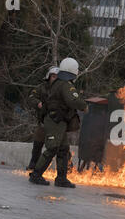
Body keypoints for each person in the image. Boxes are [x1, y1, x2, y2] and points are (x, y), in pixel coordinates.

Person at [29, 57, 88, 188]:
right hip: (56, 121)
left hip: (56, 120)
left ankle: (61, 179)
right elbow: (74, 100)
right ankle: (36, 175)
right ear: (73, 71)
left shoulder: (57, 83)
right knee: (52, 148)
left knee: (63, 149)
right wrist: (84, 106)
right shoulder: (66, 85)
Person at [26, 66, 60, 170]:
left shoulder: (62, 89)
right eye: (53, 76)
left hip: (57, 122)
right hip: (43, 121)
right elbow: (31, 97)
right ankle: (33, 163)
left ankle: (66, 167)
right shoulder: (41, 88)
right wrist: (38, 103)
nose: (55, 79)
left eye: (57, 77)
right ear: (49, 77)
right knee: (38, 142)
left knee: (60, 146)